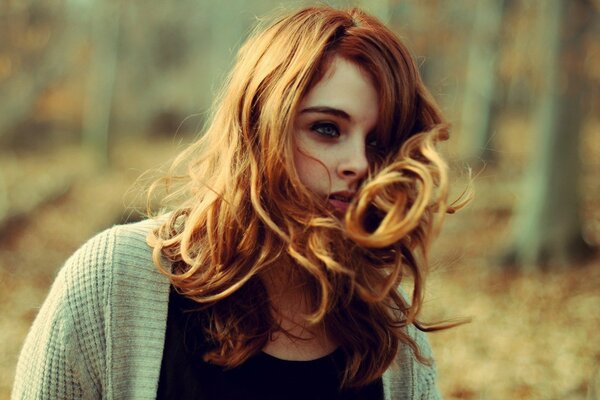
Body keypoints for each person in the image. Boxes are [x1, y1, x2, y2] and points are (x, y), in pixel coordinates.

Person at [12, 5, 468, 399]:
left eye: (377, 142)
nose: (358, 164)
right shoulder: (114, 283)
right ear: (257, 128)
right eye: (327, 128)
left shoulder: (390, 329)